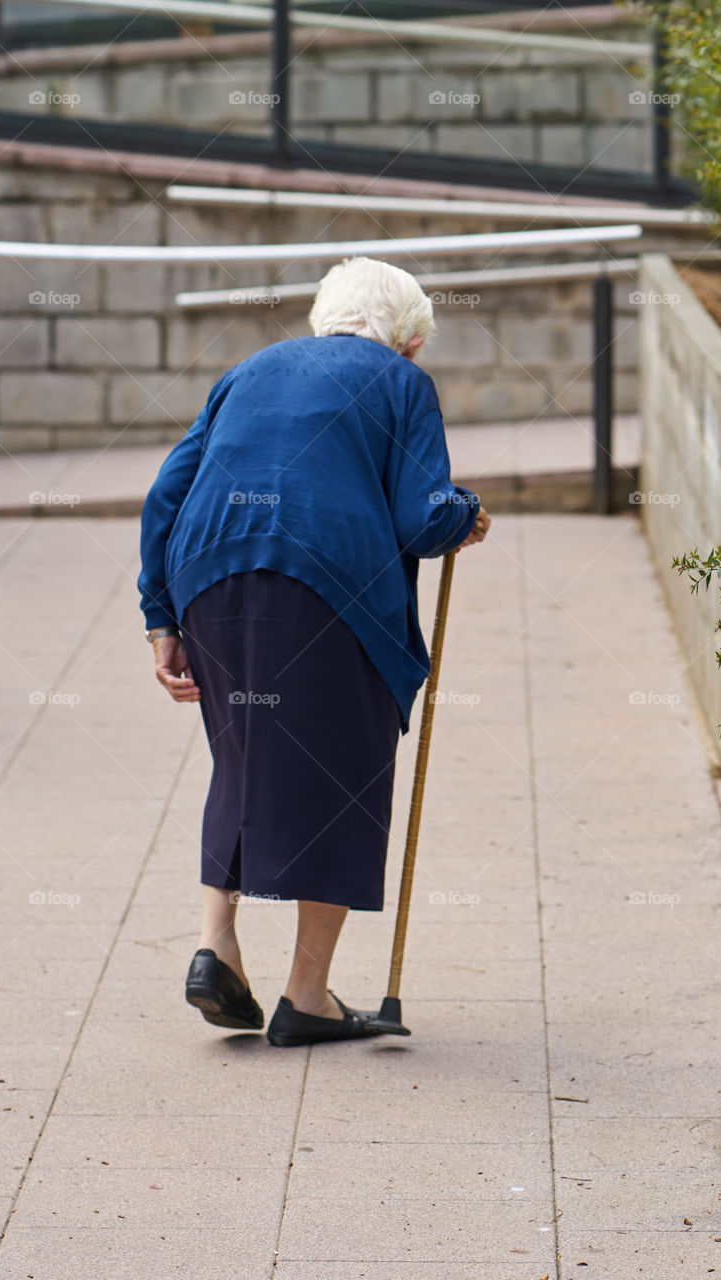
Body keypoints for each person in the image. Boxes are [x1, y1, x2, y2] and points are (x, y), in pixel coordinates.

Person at [137, 255, 491, 1047]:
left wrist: (161, 616)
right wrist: (465, 513)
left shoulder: (248, 370)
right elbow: (421, 519)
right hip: (328, 580)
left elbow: (168, 492)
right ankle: (307, 997)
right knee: (341, 770)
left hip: (209, 575)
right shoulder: (402, 383)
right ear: (405, 339)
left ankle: (215, 946)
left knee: (242, 755)